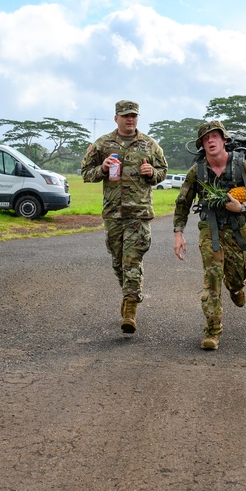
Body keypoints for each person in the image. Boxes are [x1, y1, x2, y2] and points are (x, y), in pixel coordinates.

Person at [173, 121, 246, 351]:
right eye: (206, 138)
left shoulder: (242, 166)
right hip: (210, 230)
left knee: (235, 278)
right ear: (202, 144)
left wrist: (244, 208)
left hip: (237, 229)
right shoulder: (196, 172)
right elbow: (182, 204)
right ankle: (212, 331)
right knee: (212, 278)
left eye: (215, 136)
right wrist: (178, 233)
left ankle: (236, 288)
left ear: (224, 140)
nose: (211, 140)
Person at [80, 100, 167, 334]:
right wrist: (103, 169)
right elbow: (86, 174)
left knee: (132, 260)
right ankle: (128, 293)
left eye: (134, 116)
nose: (130, 119)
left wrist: (152, 173)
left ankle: (130, 309)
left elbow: (163, 171)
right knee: (118, 262)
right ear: (116, 118)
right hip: (113, 214)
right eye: (126, 116)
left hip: (139, 214)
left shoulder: (149, 145)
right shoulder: (102, 144)